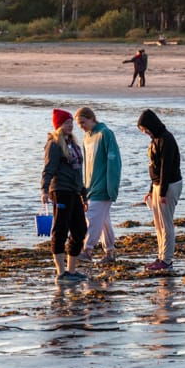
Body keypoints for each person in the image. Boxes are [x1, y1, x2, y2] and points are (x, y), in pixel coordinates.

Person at [41, 108, 88, 283]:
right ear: (59, 125)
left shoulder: (73, 145)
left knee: (80, 230)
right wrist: (44, 190)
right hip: (60, 190)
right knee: (60, 230)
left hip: (74, 191)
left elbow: (78, 173)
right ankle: (61, 273)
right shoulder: (54, 144)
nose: (71, 126)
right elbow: (48, 169)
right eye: (67, 123)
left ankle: (72, 270)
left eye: (71, 123)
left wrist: (84, 194)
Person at [137, 109, 182, 273]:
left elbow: (166, 169)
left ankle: (167, 260)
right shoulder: (155, 139)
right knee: (158, 224)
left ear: (151, 125)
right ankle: (161, 256)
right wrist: (151, 189)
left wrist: (162, 193)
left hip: (169, 185)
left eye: (145, 128)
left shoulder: (166, 139)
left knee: (166, 223)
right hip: (158, 185)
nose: (145, 132)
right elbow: (154, 168)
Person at [75, 107, 122, 265]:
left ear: (91, 118)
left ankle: (87, 250)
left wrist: (112, 187)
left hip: (103, 186)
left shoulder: (105, 134)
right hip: (90, 187)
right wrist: (83, 188)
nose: (81, 126)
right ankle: (110, 252)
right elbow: (85, 164)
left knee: (92, 218)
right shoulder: (86, 137)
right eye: (78, 124)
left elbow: (114, 161)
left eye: (83, 122)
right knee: (103, 221)